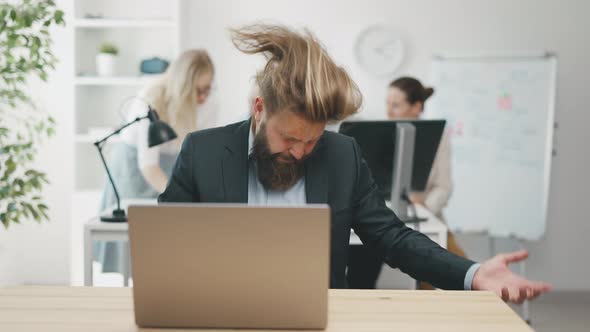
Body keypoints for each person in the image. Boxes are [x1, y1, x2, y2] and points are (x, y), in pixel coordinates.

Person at [159, 24, 551, 303]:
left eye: (311, 140)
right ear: (259, 110)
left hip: (319, 319)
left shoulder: (342, 154)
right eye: (290, 138)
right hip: (219, 316)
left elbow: (392, 238)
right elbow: (165, 246)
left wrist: (473, 273)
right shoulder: (203, 152)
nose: (300, 151)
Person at [97, 49, 216, 274]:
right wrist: (181, 199)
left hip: (170, 164)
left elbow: (202, 150)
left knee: (168, 242)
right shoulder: (150, 100)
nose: (203, 97)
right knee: (139, 243)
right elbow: (149, 166)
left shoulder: (209, 104)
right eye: (198, 91)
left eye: (207, 89)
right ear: (183, 87)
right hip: (135, 170)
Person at [347, 77, 465, 290]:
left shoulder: (439, 138)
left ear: (416, 107)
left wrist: (425, 204)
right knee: (361, 269)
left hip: (425, 215)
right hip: (381, 214)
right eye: (387, 103)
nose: (389, 111)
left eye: (396, 105)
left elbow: (444, 186)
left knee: (450, 271)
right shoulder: (377, 134)